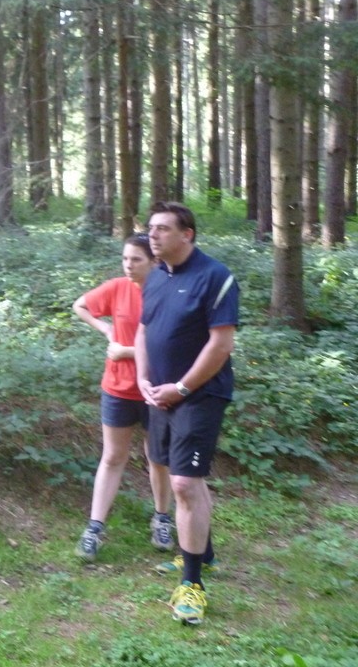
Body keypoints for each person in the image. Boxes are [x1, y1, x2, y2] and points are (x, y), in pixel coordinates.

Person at [134, 201, 239, 626]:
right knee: (176, 473)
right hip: (160, 394)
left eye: (162, 228)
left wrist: (181, 388)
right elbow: (143, 329)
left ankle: (192, 584)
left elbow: (221, 344)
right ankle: (204, 552)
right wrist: (143, 377)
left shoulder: (215, 277)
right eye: (151, 228)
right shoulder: (157, 275)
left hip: (199, 395)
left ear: (187, 234)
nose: (153, 235)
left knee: (183, 482)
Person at [72, 234, 173, 562]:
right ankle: (94, 528)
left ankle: (162, 519)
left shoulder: (168, 292)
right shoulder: (117, 287)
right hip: (117, 388)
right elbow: (80, 305)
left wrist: (126, 351)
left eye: (136, 260)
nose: (129, 265)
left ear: (154, 261)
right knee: (113, 456)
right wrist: (105, 329)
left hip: (156, 388)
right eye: (125, 259)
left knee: (157, 457)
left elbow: (171, 344)